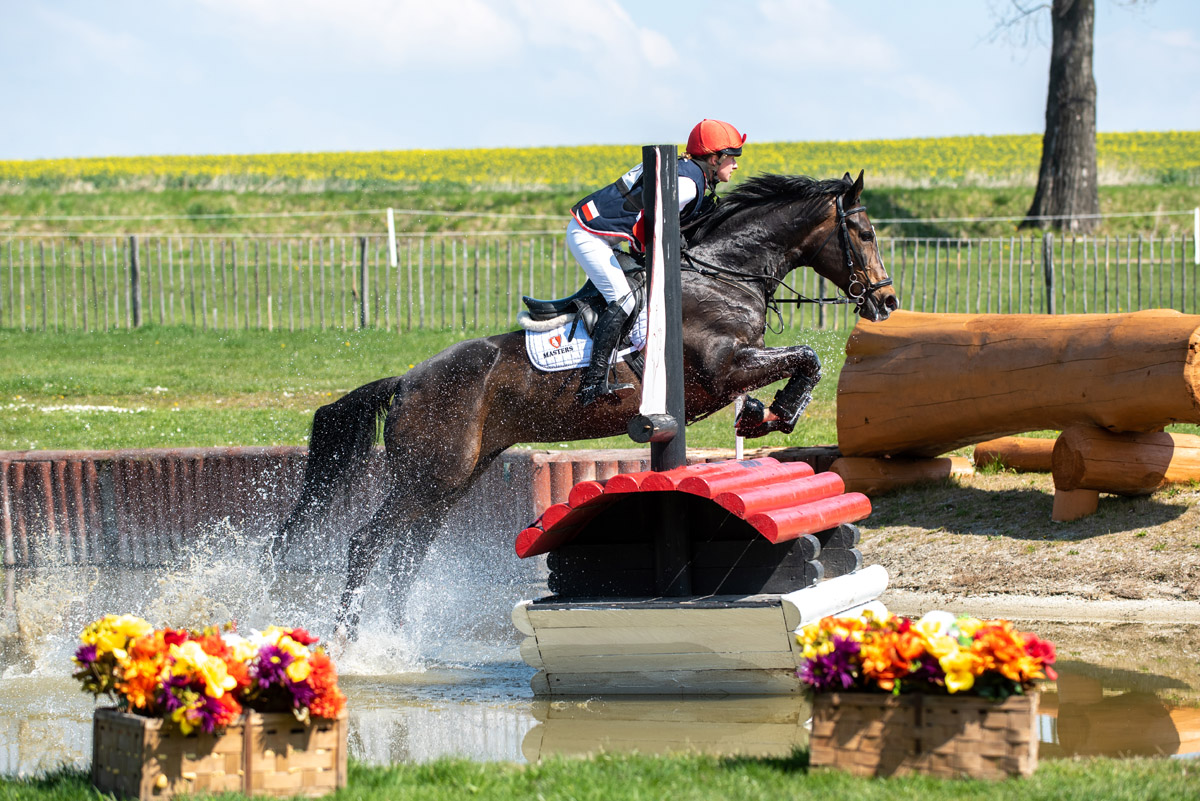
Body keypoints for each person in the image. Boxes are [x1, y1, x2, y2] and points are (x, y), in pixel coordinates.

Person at [568, 118, 746, 405]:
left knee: (640, 316)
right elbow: (644, 227)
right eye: (732, 157)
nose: (735, 165)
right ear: (714, 159)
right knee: (625, 301)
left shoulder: (691, 174)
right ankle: (593, 383)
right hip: (589, 235)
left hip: (604, 235)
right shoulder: (688, 185)